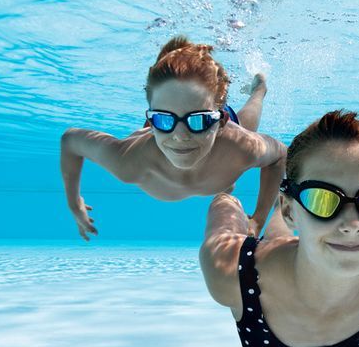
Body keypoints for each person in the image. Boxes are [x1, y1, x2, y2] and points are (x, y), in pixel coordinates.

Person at [199, 110, 359, 347]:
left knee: (284, 238)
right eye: (322, 199)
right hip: (268, 250)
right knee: (231, 207)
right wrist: (227, 201)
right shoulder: (229, 272)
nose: (352, 225)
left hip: (293, 241)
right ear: (290, 210)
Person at [59, 36, 283, 240]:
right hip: (206, 153)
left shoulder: (241, 147)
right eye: (164, 120)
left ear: (221, 121)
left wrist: (258, 221)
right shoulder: (127, 160)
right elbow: (70, 141)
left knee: (248, 122)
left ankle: (259, 88)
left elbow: (280, 156)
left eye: (198, 120)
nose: (180, 136)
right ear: (150, 121)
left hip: (224, 143)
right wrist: (73, 203)